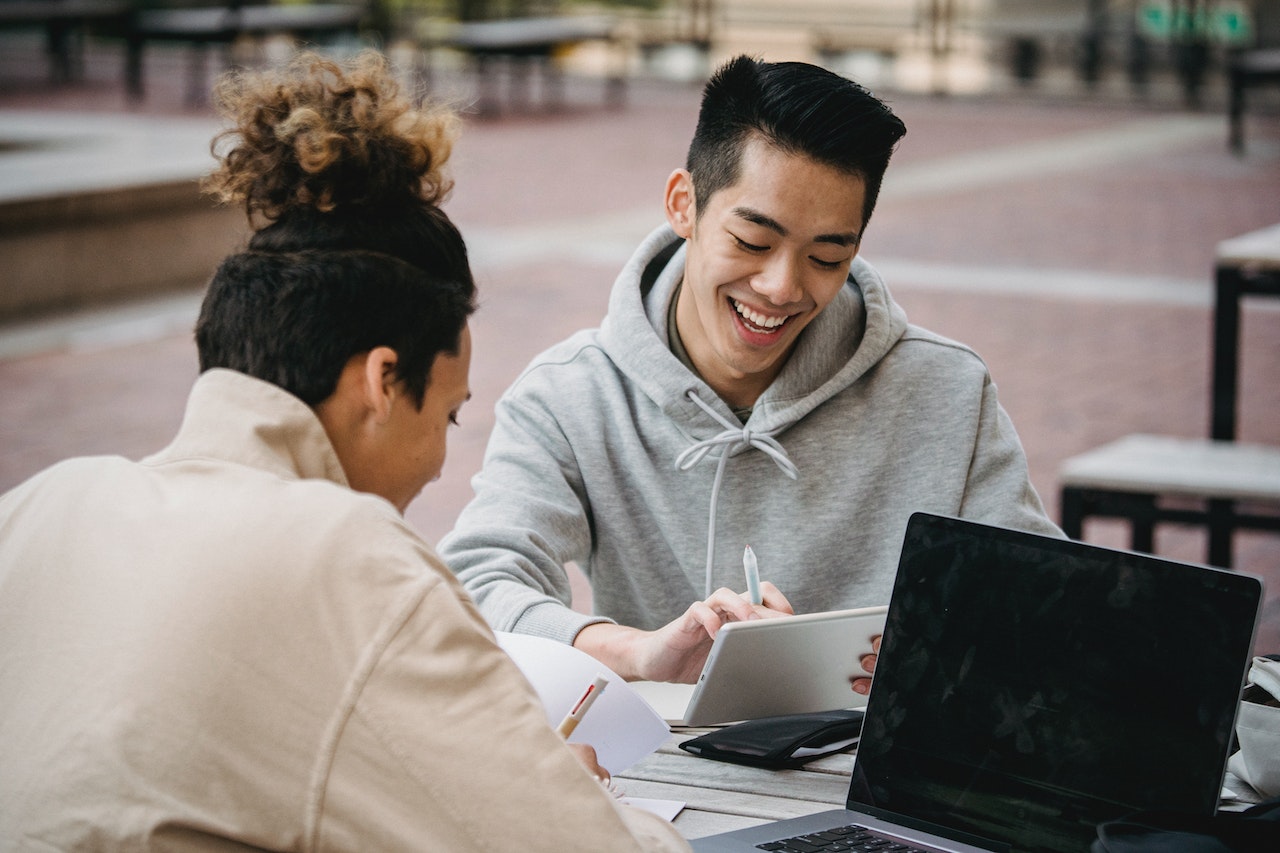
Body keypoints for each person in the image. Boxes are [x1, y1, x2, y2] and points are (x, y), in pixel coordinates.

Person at [0, 51, 688, 852]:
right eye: (452, 416)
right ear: (382, 380)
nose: (438, 462)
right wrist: (576, 794)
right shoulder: (351, 563)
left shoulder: (39, 507)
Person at [440, 55, 1062, 688]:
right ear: (684, 205)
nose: (781, 287)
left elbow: (1046, 608)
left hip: (873, 779)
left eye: (825, 256)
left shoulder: (946, 392)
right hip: (655, 778)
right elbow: (473, 586)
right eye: (753, 243)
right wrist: (632, 652)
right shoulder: (572, 394)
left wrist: (928, 659)